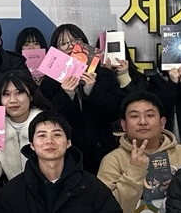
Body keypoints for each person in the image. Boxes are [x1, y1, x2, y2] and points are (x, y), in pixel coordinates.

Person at [36, 23, 125, 172]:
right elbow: (49, 120)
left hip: (102, 153)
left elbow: (116, 111)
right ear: (56, 51)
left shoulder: (104, 75)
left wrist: (92, 90)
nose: (71, 47)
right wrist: (66, 94)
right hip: (67, 154)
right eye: (63, 43)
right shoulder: (48, 84)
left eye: (76, 41)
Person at [0, 71, 49, 188]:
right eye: (6, 94)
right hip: (13, 192)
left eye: (19, 93)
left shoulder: (47, 123)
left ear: (31, 95)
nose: (12, 100)